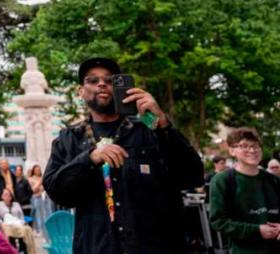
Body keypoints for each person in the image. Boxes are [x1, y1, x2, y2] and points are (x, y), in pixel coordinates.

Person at [43, 57, 204, 254]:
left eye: (110, 80)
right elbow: (56, 191)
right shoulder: (69, 139)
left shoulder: (150, 129)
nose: (102, 84)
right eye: (92, 80)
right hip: (98, 247)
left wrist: (162, 123)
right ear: (81, 92)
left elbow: (192, 176)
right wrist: (90, 158)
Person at [209, 127, 280, 253]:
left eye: (256, 146)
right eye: (244, 146)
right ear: (232, 150)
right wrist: (257, 230)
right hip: (243, 250)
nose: (252, 150)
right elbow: (218, 221)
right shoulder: (222, 181)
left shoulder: (274, 180)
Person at [27, 164, 53, 240]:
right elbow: (34, 189)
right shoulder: (31, 179)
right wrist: (40, 182)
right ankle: (43, 233)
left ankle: (49, 234)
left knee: (48, 215)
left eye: (39, 169)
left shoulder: (43, 177)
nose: (38, 171)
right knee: (40, 217)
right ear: (33, 171)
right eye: (36, 169)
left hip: (45, 198)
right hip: (37, 199)